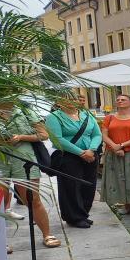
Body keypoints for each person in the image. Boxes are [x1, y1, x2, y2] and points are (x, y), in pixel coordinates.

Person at [0, 103, 60, 247]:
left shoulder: (24, 108)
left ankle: (47, 234)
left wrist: (21, 137)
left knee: (32, 198)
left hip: (24, 158)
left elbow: (44, 135)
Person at [45, 94, 102, 229]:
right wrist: (81, 153)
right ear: (59, 101)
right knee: (71, 187)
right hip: (69, 156)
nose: (72, 101)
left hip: (90, 154)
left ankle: (83, 213)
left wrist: (92, 149)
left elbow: (97, 134)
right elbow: (57, 139)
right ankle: (73, 217)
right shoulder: (54, 117)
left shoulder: (86, 115)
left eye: (74, 99)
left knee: (89, 185)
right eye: (67, 99)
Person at [100, 94, 130, 215]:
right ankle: (127, 204)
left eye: (123, 100)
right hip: (113, 152)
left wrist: (121, 145)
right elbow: (104, 135)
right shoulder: (109, 118)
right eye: (118, 99)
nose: (120, 101)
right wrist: (115, 147)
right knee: (118, 179)